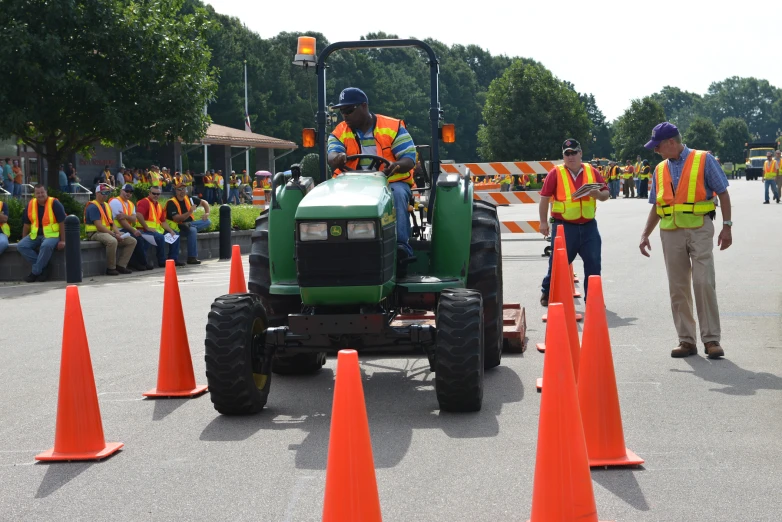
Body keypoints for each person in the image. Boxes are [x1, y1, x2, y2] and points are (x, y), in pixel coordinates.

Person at [638, 122, 731, 359]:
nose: (656, 151)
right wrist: (645, 234)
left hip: (700, 228)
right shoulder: (659, 169)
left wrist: (727, 227)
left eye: (658, 146)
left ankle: (711, 340)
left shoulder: (703, 160)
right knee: (678, 287)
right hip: (670, 232)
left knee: (703, 282)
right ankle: (686, 341)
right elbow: (657, 205)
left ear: (671, 142)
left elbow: (723, 192)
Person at [327, 87, 417, 261]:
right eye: (342, 112)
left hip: (390, 182)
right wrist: (337, 158)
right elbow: (332, 155)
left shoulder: (392, 127)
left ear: (364, 106)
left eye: (349, 110)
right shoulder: (339, 132)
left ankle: (401, 247)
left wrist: (395, 165)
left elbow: (409, 159)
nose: (345, 115)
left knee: (397, 194)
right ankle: (336, 247)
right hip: (350, 184)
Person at [538, 139, 610, 305]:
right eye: (567, 154)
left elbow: (606, 193)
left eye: (574, 152)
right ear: (563, 156)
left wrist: (598, 195)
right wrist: (543, 222)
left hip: (588, 226)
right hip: (564, 226)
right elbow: (544, 199)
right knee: (558, 264)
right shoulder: (556, 173)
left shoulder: (592, 171)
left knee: (593, 264)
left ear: (581, 153)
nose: (571, 157)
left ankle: (593, 299)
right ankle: (547, 291)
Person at [85, 183, 137, 275]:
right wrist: (114, 234)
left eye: (107, 193)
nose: (105, 195)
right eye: (103, 193)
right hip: (94, 233)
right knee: (112, 241)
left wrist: (118, 233)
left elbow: (112, 223)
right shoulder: (93, 206)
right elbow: (99, 226)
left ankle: (121, 265)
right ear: (97, 193)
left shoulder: (106, 205)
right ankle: (111, 268)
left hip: (106, 232)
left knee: (132, 241)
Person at [17, 185, 66, 282]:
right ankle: (44, 266)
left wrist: (63, 240)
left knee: (46, 246)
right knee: (21, 246)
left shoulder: (54, 203)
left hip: (52, 235)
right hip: (35, 235)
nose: (40, 195)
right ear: (34, 194)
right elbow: (26, 224)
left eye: (42, 192)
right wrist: (23, 238)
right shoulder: (31, 204)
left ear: (46, 192)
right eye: (38, 193)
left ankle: (35, 272)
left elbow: (62, 223)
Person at [135, 184, 183, 268]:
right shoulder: (144, 202)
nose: (156, 196)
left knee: (176, 234)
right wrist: (147, 227)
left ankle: (173, 259)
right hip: (144, 230)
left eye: (158, 194)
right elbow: (139, 215)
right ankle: (162, 261)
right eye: (154, 193)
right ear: (149, 193)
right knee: (160, 237)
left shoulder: (158, 205)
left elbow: (163, 222)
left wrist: (171, 231)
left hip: (156, 230)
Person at [165, 180, 211, 264]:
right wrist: (190, 212)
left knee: (207, 221)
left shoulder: (188, 198)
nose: (182, 191)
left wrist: (207, 213)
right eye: (180, 189)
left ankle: (190, 225)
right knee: (192, 230)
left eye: (184, 189)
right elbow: (177, 219)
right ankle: (192, 257)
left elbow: (204, 202)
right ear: (176, 190)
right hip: (178, 226)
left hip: (189, 224)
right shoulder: (171, 202)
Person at [109, 183, 147, 271]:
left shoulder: (131, 204)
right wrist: (133, 231)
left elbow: (134, 219)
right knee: (137, 239)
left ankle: (139, 263)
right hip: (118, 229)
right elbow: (121, 221)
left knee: (140, 238)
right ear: (121, 191)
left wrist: (126, 216)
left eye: (131, 192)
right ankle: (141, 263)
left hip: (126, 229)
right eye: (126, 191)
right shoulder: (115, 202)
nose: (128, 193)